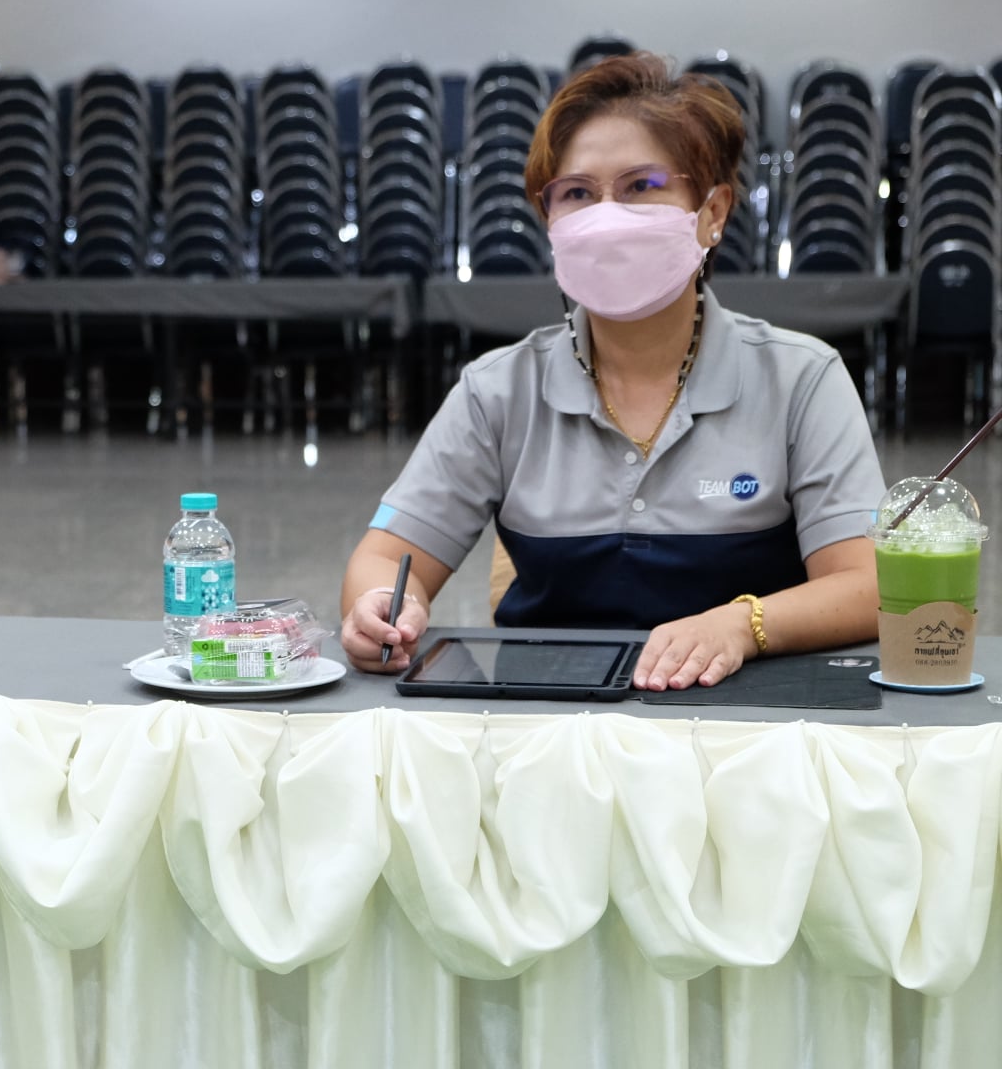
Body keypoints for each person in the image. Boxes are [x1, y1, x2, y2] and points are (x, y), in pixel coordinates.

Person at [341, 53, 885, 689]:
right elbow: (385, 556)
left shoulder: (801, 379)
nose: (606, 217)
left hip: (750, 732)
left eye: (641, 186)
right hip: (551, 729)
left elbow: (867, 584)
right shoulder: (498, 390)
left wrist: (742, 625)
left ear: (712, 213)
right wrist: (380, 607)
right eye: (577, 194)